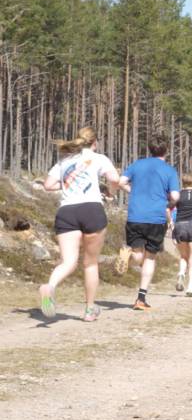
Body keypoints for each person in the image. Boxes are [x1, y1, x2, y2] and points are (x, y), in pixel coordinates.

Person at [38, 128, 120, 322]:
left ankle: (50, 286)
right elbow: (114, 179)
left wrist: (66, 184)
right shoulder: (99, 158)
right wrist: (111, 191)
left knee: (68, 262)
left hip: (67, 211)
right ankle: (90, 310)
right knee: (90, 263)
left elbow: (48, 185)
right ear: (95, 143)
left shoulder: (64, 161)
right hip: (91, 209)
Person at [115, 134, 179, 311]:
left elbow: (120, 182)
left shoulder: (137, 165)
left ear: (149, 149)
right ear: (166, 150)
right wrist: (169, 204)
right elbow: (175, 196)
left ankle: (128, 254)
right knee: (150, 257)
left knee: (137, 255)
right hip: (156, 218)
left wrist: (132, 191)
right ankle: (141, 298)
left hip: (135, 215)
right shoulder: (169, 170)